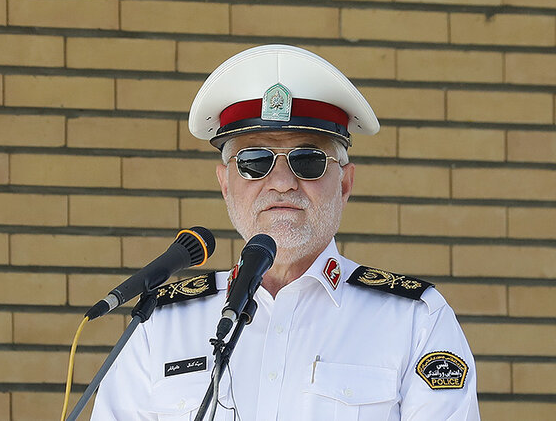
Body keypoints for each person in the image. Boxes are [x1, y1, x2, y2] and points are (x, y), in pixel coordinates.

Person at [91, 45, 480, 420]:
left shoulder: (414, 320)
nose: (281, 182)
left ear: (344, 184)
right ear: (225, 183)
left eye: (307, 160)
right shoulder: (160, 324)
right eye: (254, 161)